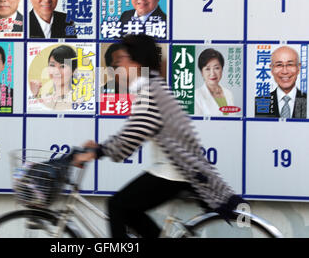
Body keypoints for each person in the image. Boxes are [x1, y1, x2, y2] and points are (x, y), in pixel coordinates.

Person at [74, 34, 245, 238]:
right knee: (129, 210)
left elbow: (132, 137)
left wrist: (97, 151)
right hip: (176, 168)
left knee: (117, 206)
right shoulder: (152, 86)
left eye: (122, 60)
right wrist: (100, 148)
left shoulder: (151, 91)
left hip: (174, 171)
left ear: (136, 62)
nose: (117, 66)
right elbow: (135, 130)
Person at [255, 45, 307, 118]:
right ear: (271, 69)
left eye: (290, 64)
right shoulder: (258, 103)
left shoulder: (306, 100)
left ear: (298, 68)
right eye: (279, 65)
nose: (285, 71)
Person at [29, 45, 77, 110]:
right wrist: (34, 95)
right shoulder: (44, 98)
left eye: (62, 66)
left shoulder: (79, 100)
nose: (56, 71)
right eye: (52, 65)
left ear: (73, 71)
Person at [195, 48, 235, 116]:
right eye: (207, 69)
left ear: (222, 69)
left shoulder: (228, 93)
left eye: (216, 68)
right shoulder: (196, 96)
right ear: (202, 72)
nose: (212, 73)